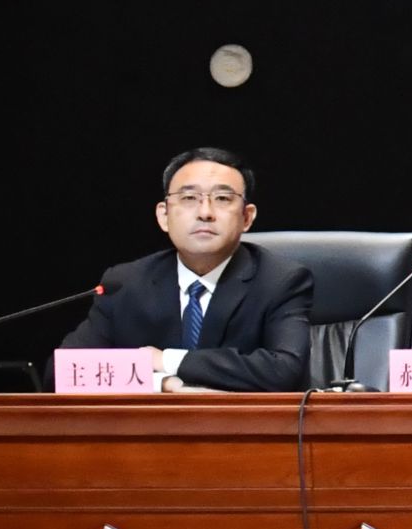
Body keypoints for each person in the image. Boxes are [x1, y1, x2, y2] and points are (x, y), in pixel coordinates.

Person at [54, 147, 316, 393]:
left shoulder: (280, 281)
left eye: (222, 198)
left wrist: (167, 360)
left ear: (246, 217)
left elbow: (285, 370)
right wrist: (161, 382)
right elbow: (63, 373)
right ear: (164, 216)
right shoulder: (124, 283)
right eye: (189, 198)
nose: (205, 212)